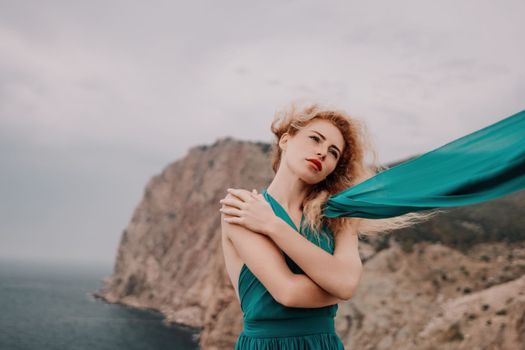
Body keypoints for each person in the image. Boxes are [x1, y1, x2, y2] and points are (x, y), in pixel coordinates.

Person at [219, 102, 433, 349]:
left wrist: (272, 225)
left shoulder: (338, 218)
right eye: (315, 139)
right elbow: (288, 292)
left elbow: (347, 284)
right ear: (285, 140)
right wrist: (337, 286)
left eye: (333, 152)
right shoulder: (242, 206)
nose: (322, 152)